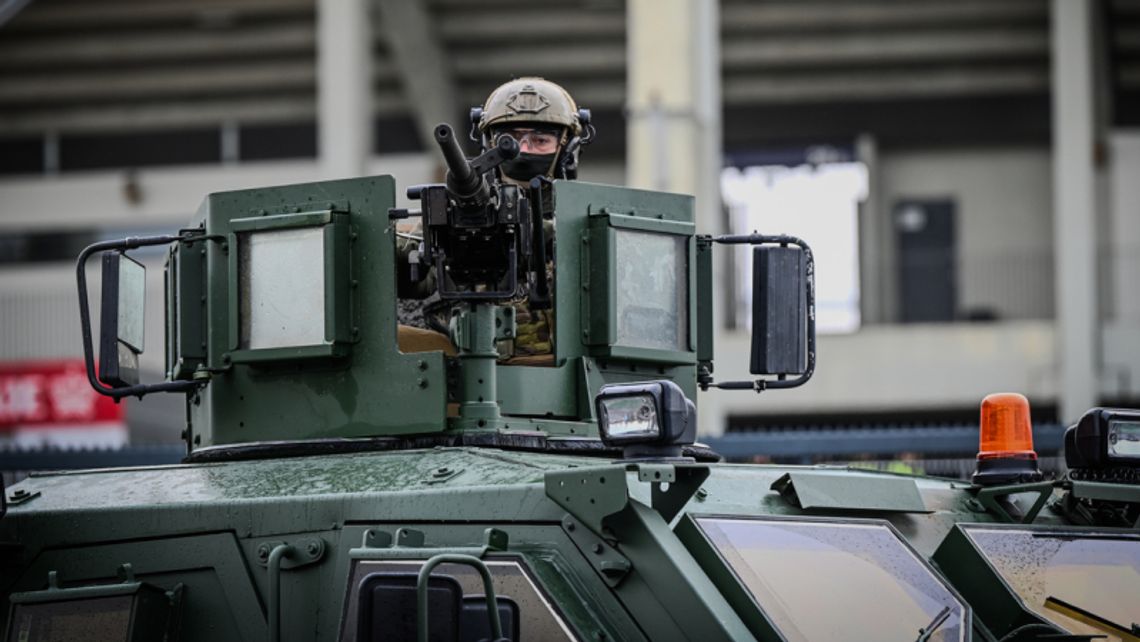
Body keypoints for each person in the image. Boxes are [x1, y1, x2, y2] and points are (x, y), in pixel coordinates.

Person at [398, 78, 593, 360]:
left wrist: (549, 238)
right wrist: (406, 255)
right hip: (469, 374)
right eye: (510, 141)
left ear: (567, 148)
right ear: (489, 144)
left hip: (562, 378)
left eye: (540, 141)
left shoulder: (586, 221)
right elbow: (416, 280)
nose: (523, 150)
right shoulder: (458, 212)